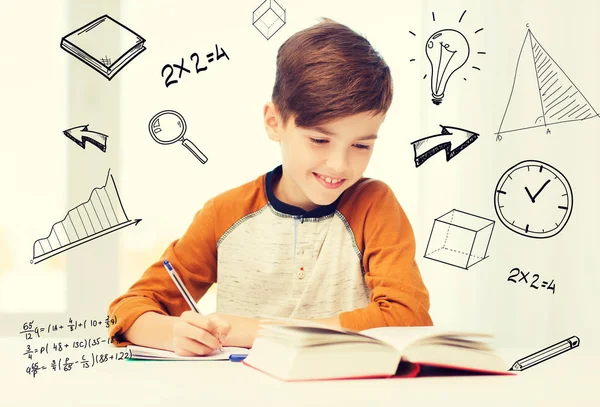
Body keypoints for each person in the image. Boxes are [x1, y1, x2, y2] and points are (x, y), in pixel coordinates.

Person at [107, 18, 433, 356]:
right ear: (274, 122)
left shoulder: (374, 206)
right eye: (319, 140)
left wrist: (254, 331)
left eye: (361, 146)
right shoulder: (225, 213)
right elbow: (125, 310)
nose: (340, 164)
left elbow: (407, 318)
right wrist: (173, 332)